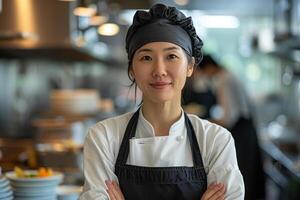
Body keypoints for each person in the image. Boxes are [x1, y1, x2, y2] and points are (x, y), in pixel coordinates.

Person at [79, 4, 244, 200]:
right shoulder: (104, 137)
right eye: (146, 57)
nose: (159, 70)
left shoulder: (215, 140)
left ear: (190, 66)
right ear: (132, 68)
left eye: (171, 56)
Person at [194, 55, 265, 200]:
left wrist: (204, 124)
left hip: (241, 131)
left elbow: (228, 118)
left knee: (244, 172)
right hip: (247, 127)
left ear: (209, 67)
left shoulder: (223, 80)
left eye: (203, 72)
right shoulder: (227, 75)